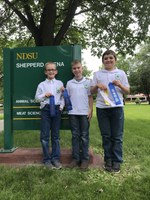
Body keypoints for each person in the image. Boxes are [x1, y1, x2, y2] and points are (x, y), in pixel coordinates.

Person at [91, 50, 130, 173]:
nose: (108, 60)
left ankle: (117, 161)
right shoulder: (97, 74)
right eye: (106, 58)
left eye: (111, 58)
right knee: (106, 136)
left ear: (115, 60)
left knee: (117, 136)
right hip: (102, 109)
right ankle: (108, 160)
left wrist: (120, 85)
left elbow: (127, 92)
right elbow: (91, 91)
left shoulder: (121, 73)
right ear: (102, 61)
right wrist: (97, 86)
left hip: (117, 108)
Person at [35, 62, 64, 169]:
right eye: (48, 70)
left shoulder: (60, 83)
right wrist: (44, 95)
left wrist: (61, 107)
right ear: (45, 72)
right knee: (44, 136)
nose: (51, 71)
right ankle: (47, 159)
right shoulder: (41, 85)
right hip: (46, 110)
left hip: (57, 110)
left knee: (55, 136)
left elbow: (63, 97)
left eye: (53, 69)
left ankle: (55, 159)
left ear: (56, 71)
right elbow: (36, 98)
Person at [66, 60, 93, 170]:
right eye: (74, 68)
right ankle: (76, 159)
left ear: (82, 69)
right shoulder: (69, 83)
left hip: (84, 113)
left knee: (84, 137)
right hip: (73, 113)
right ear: (72, 70)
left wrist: (91, 110)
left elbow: (90, 97)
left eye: (78, 68)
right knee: (75, 136)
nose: (76, 70)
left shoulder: (88, 82)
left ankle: (85, 160)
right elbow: (66, 98)